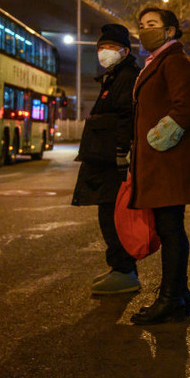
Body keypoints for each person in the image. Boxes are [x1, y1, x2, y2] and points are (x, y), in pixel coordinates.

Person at [129, 8, 190, 325]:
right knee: (170, 228)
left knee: (171, 229)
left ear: (170, 31)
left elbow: (183, 108)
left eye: (153, 25)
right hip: (160, 160)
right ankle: (179, 294)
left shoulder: (174, 61)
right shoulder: (158, 61)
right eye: (142, 25)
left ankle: (170, 297)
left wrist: (156, 139)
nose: (145, 30)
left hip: (168, 160)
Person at [72, 23, 141, 294]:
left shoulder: (126, 77)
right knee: (107, 215)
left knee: (114, 218)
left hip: (113, 162)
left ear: (125, 51)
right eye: (101, 47)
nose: (105, 52)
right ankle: (119, 269)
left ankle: (125, 271)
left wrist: (121, 152)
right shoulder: (113, 77)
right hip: (104, 160)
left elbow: (126, 117)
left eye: (111, 47)